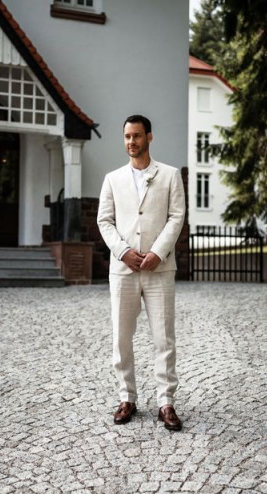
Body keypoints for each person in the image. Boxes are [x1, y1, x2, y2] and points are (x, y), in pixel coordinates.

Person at [97, 114, 186, 431]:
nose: (131, 142)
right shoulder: (112, 179)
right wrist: (123, 252)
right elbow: (104, 221)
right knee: (121, 338)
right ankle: (127, 398)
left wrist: (157, 253)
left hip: (160, 269)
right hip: (123, 270)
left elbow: (176, 218)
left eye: (136, 135)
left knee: (164, 338)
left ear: (149, 137)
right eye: (126, 137)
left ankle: (166, 402)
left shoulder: (170, 175)